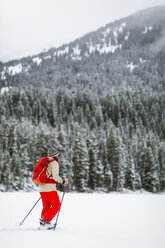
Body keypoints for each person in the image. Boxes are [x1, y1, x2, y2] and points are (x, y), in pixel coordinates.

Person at [39, 150, 69, 229]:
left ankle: (43, 224)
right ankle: (45, 220)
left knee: (46, 206)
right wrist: (63, 181)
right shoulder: (54, 162)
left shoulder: (44, 162)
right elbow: (55, 176)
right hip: (49, 188)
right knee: (56, 205)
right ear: (56, 155)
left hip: (41, 187)